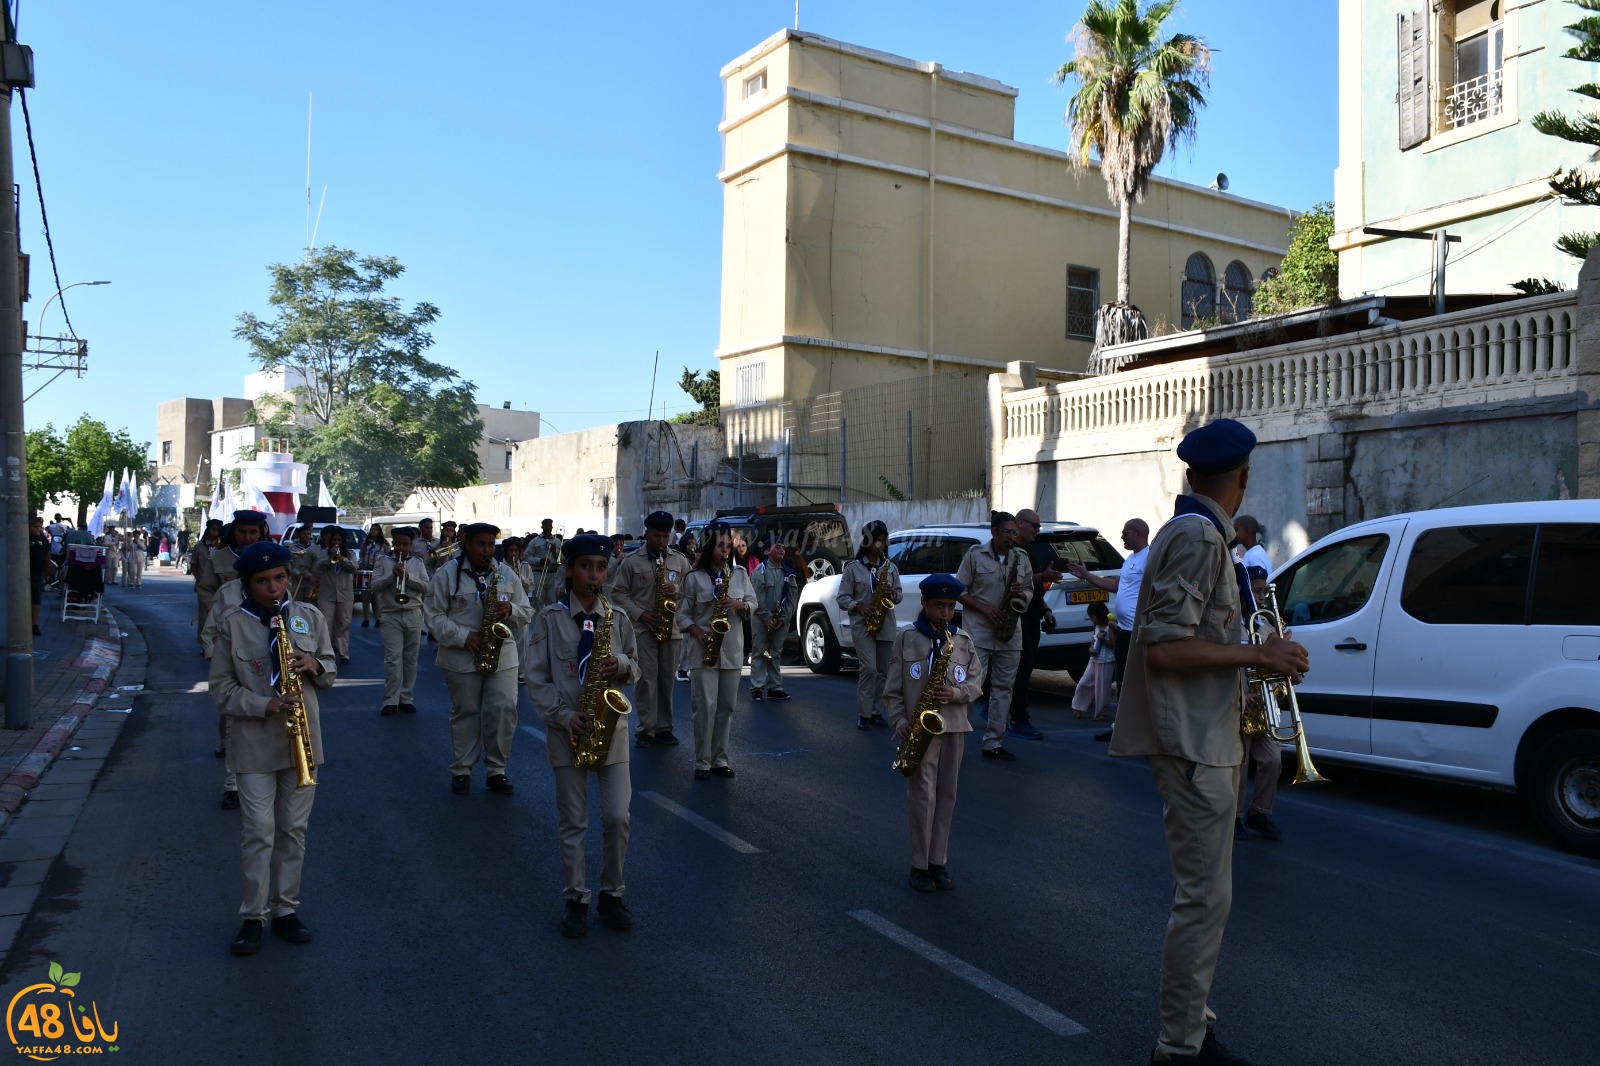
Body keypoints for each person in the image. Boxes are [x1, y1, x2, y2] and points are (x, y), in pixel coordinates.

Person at [1109, 418, 1309, 1066]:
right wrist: (1260, 653)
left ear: (1194, 475)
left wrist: (1248, 661)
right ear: (1242, 481)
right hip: (1192, 744)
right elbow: (1166, 650)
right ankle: (1178, 1048)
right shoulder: (1197, 537)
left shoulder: (1193, 533)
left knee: (1208, 898)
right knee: (1203, 901)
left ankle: (1192, 1027)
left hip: (1205, 738)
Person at [208, 540, 336, 957]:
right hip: (254, 744)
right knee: (259, 832)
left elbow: (331, 668)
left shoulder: (308, 617)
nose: (274, 588)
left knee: (293, 832)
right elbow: (221, 690)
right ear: (247, 585)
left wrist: (314, 664)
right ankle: (252, 915)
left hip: (302, 741)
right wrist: (266, 703)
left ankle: (285, 909)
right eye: (263, 582)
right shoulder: (232, 624)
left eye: (280, 578)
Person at [524, 534, 642, 938]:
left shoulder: (618, 618)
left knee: (617, 817)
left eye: (601, 567)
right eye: (586, 566)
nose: (595, 575)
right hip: (567, 730)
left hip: (611, 731)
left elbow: (636, 669)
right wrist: (562, 716)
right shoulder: (548, 620)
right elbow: (536, 678)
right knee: (573, 822)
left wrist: (621, 663)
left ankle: (613, 893)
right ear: (570, 570)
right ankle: (575, 898)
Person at [885, 574, 986, 893]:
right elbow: (893, 688)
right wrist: (899, 720)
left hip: (953, 727)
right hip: (919, 730)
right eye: (938, 606)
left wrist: (956, 694)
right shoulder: (907, 638)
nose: (945, 613)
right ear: (924, 603)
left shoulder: (964, 641)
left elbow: (976, 683)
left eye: (950, 607)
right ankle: (919, 865)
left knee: (947, 796)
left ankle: (938, 862)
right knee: (921, 797)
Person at [424, 522, 533, 795]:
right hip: (461, 656)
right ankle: (462, 770)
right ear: (466, 544)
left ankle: (497, 770)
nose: (487, 550)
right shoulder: (446, 575)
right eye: (481, 544)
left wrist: (511, 609)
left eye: (491, 545)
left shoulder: (506, 573)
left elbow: (527, 612)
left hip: (502, 654)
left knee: (504, 710)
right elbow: (433, 617)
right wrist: (464, 637)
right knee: (466, 712)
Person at [679, 523, 756, 780]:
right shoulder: (693, 578)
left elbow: (753, 603)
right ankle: (702, 762)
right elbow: (682, 615)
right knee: (705, 706)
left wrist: (740, 604)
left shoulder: (740, 574)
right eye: (719, 545)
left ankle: (720, 759)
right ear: (709, 546)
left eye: (727, 545)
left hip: (732, 649)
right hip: (703, 650)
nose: (724, 551)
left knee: (726, 706)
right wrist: (698, 633)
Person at [956, 511, 1033, 762]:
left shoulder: (1021, 558)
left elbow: (1030, 589)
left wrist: (1023, 595)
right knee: (971, 686)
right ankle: (954, 737)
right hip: (979, 631)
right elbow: (960, 590)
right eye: (1008, 532)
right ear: (995, 532)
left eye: (1015, 533)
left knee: (1003, 689)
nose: (1013, 537)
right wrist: (986, 609)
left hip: (1010, 633)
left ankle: (993, 742)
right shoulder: (974, 555)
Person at [1067, 517, 1151, 741]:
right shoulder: (1131, 559)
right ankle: (1121, 728)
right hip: (1123, 630)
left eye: (1125, 533)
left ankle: (1136, 730)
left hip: (1137, 631)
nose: (1122, 537)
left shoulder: (1150, 558)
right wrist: (1086, 576)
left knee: (1136, 681)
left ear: (1138, 533)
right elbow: (1115, 585)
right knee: (1122, 680)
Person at [610, 511, 688, 747]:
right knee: (646, 681)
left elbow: (692, 590)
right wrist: (640, 614)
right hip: (643, 630)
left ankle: (664, 727)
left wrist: (677, 590)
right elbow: (617, 594)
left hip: (671, 629)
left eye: (666, 536)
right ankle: (646, 729)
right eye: (657, 536)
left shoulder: (679, 560)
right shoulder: (632, 562)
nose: (662, 541)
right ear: (646, 533)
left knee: (666, 680)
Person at [837, 521, 902, 730]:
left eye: (883, 541)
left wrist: (893, 593)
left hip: (886, 623)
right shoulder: (853, 568)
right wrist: (859, 606)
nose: (880, 545)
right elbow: (842, 598)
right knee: (869, 669)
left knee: (883, 672)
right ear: (867, 541)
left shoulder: (890, 567)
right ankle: (864, 714)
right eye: (877, 540)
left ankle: (876, 712)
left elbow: (899, 595)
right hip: (862, 623)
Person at [1235, 566, 1283, 842]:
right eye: (1256, 590)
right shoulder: (1230, 625)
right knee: (1239, 765)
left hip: (1262, 703)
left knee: (1273, 759)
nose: (1262, 596)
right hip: (1240, 700)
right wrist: (1242, 694)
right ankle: (1233, 819)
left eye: (1264, 591)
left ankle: (1260, 812)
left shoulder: (1267, 623)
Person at [1010, 508, 1061, 741]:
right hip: (1018, 620)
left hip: (1032, 617)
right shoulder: (1013, 551)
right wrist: (1043, 576)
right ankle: (1019, 718)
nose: (1037, 530)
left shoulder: (1029, 549)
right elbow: (1015, 581)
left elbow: (1035, 588)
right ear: (1020, 523)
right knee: (1020, 669)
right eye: (1035, 525)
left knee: (1023, 668)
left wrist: (1047, 610)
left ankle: (1000, 710)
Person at [373, 527, 428, 717]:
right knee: (393, 658)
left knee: (411, 659)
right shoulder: (382, 561)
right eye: (398, 544)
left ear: (411, 545)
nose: (401, 548)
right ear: (393, 543)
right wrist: (392, 576)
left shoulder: (418, 563)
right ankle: (390, 700)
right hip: (390, 613)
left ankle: (406, 698)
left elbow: (426, 587)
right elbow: (375, 586)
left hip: (413, 612)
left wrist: (408, 577)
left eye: (405, 544)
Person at [750, 539, 799, 702]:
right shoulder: (760, 571)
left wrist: (784, 618)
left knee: (775, 652)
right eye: (777, 547)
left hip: (780, 619)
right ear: (767, 551)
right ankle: (757, 687)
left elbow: (792, 598)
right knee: (760, 650)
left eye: (783, 547)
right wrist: (765, 617)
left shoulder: (788, 573)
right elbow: (756, 596)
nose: (782, 550)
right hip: (761, 617)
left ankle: (775, 687)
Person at [311, 527, 357, 664]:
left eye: (339, 540)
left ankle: (344, 653)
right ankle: (325, 652)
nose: (336, 542)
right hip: (327, 593)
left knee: (344, 622)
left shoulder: (350, 553)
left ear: (343, 541)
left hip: (345, 594)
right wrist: (328, 559)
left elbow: (354, 567)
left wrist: (341, 559)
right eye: (334, 540)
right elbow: (316, 568)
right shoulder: (323, 553)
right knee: (326, 622)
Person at [1070, 601, 1116, 720]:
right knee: (1084, 683)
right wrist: (1091, 648)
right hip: (1094, 660)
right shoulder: (1096, 627)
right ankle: (1078, 707)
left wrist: (1103, 640)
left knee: (1102, 688)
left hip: (1106, 661)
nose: (1091, 619)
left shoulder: (1109, 627)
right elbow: (1093, 640)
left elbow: (1113, 644)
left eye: (1092, 617)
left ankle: (1101, 712)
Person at [28, 514, 53, 636]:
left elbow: (47, 556)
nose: (37, 529)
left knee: (36, 599)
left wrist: (47, 571)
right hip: (23, 574)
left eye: (39, 526)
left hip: (38, 573)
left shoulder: (43, 540)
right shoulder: (22, 537)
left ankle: (34, 625)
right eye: (34, 526)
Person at [361, 524, 388, 628]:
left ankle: (378, 618)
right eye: (372, 529)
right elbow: (361, 556)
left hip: (378, 570)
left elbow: (388, 555)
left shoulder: (384, 544)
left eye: (376, 529)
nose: (373, 531)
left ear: (379, 531)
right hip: (367, 569)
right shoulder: (366, 543)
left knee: (377, 596)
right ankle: (366, 619)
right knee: (366, 595)